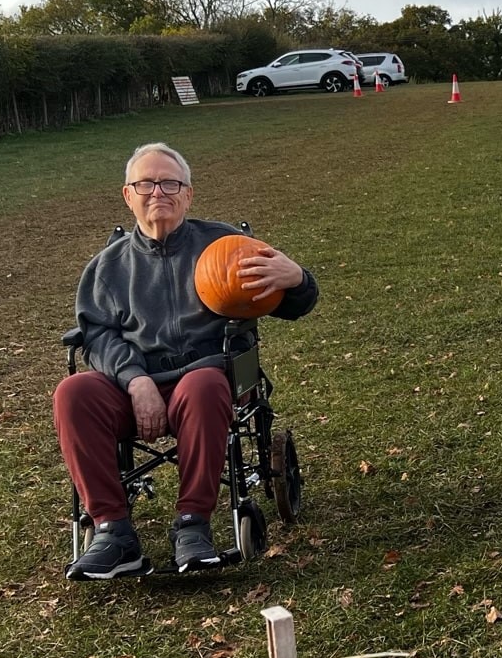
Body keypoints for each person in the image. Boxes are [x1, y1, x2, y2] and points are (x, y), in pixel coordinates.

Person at [54, 142, 320, 579]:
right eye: (146, 183)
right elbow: (97, 335)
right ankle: (112, 531)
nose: (158, 191)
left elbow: (293, 304)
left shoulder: (228, 246)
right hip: (132, 386)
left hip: (206, 381)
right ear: (128, 194)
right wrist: (136, 381)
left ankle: (193, 523)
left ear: (188, 194)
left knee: (204, 384)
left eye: (170, 183)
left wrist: (297, 279)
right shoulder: (107, 267)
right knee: (73, 392)